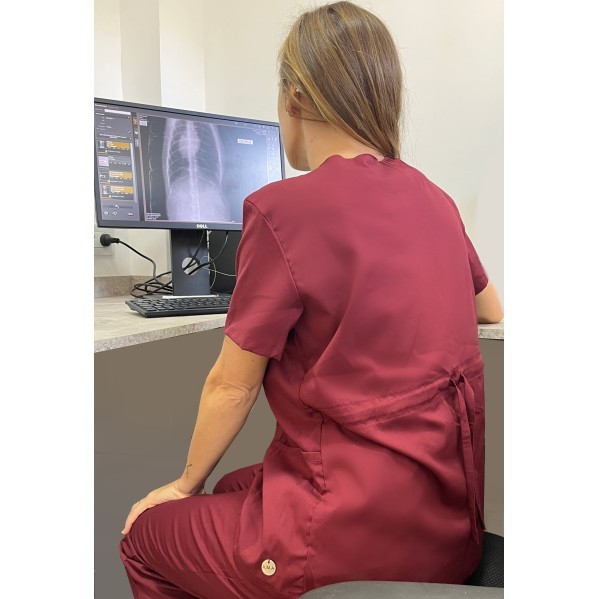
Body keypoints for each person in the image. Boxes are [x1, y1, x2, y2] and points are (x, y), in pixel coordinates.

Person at [119, 2, 504, 598]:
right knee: (237, 487)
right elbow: (490, 310)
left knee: (146, 535)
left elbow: (231, 386)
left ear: (294, 97)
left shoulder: (282, 210)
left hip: (343, 537)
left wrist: (180, 487)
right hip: (448, 532)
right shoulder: (435, 199)